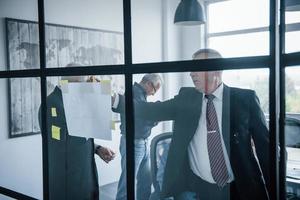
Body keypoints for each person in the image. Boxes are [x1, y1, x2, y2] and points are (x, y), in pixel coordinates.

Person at [118, 49, 270, 200]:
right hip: (199, 190)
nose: (191, 73)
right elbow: (149, 110)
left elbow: (267, 152)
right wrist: (115, 101)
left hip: (240, 189)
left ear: (216, 69)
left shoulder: (245, 100)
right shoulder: (186, 98)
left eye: (196, 67)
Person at [39, 69, 115, 200]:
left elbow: (80, 134)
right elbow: (58, 143)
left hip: (85, 173)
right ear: (72, 84)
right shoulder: (52, 104)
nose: (86, 89)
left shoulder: (74, 101)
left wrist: (97, 148)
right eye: (84, 85)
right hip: (68, 179)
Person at [113, 73, 163, 200]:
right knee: (127, 182)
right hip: (134, 143)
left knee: (145, 180)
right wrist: (156, 118)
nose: (153, 94)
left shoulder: (139, 94)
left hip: (142, 143)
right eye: (155, 89)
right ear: (148, 83)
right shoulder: (134, 93)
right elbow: (140, 121)